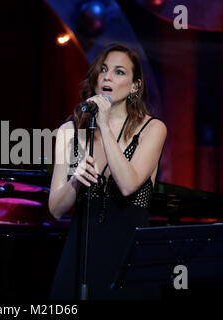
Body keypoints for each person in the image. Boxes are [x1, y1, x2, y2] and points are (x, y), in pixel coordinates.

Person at [48, 44, 167, 300]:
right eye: (103, 70)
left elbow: (127, 184)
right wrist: (75, 183)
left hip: (128, 259)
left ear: (135, 86)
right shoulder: (70, 132)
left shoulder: (153, 129)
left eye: (119, 72)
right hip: (82, 256)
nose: (107, 77)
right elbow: (56, 209)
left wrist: (103, 122)